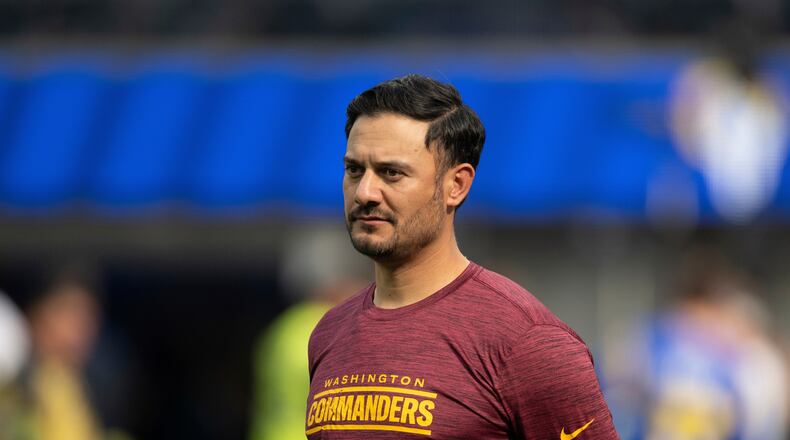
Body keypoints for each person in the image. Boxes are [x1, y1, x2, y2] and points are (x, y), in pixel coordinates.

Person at [305, 74, 619, 439]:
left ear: (456, 185)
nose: (365, 192)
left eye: (391, 173)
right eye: (354, 169)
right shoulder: (328, 334)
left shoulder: (526, 342)